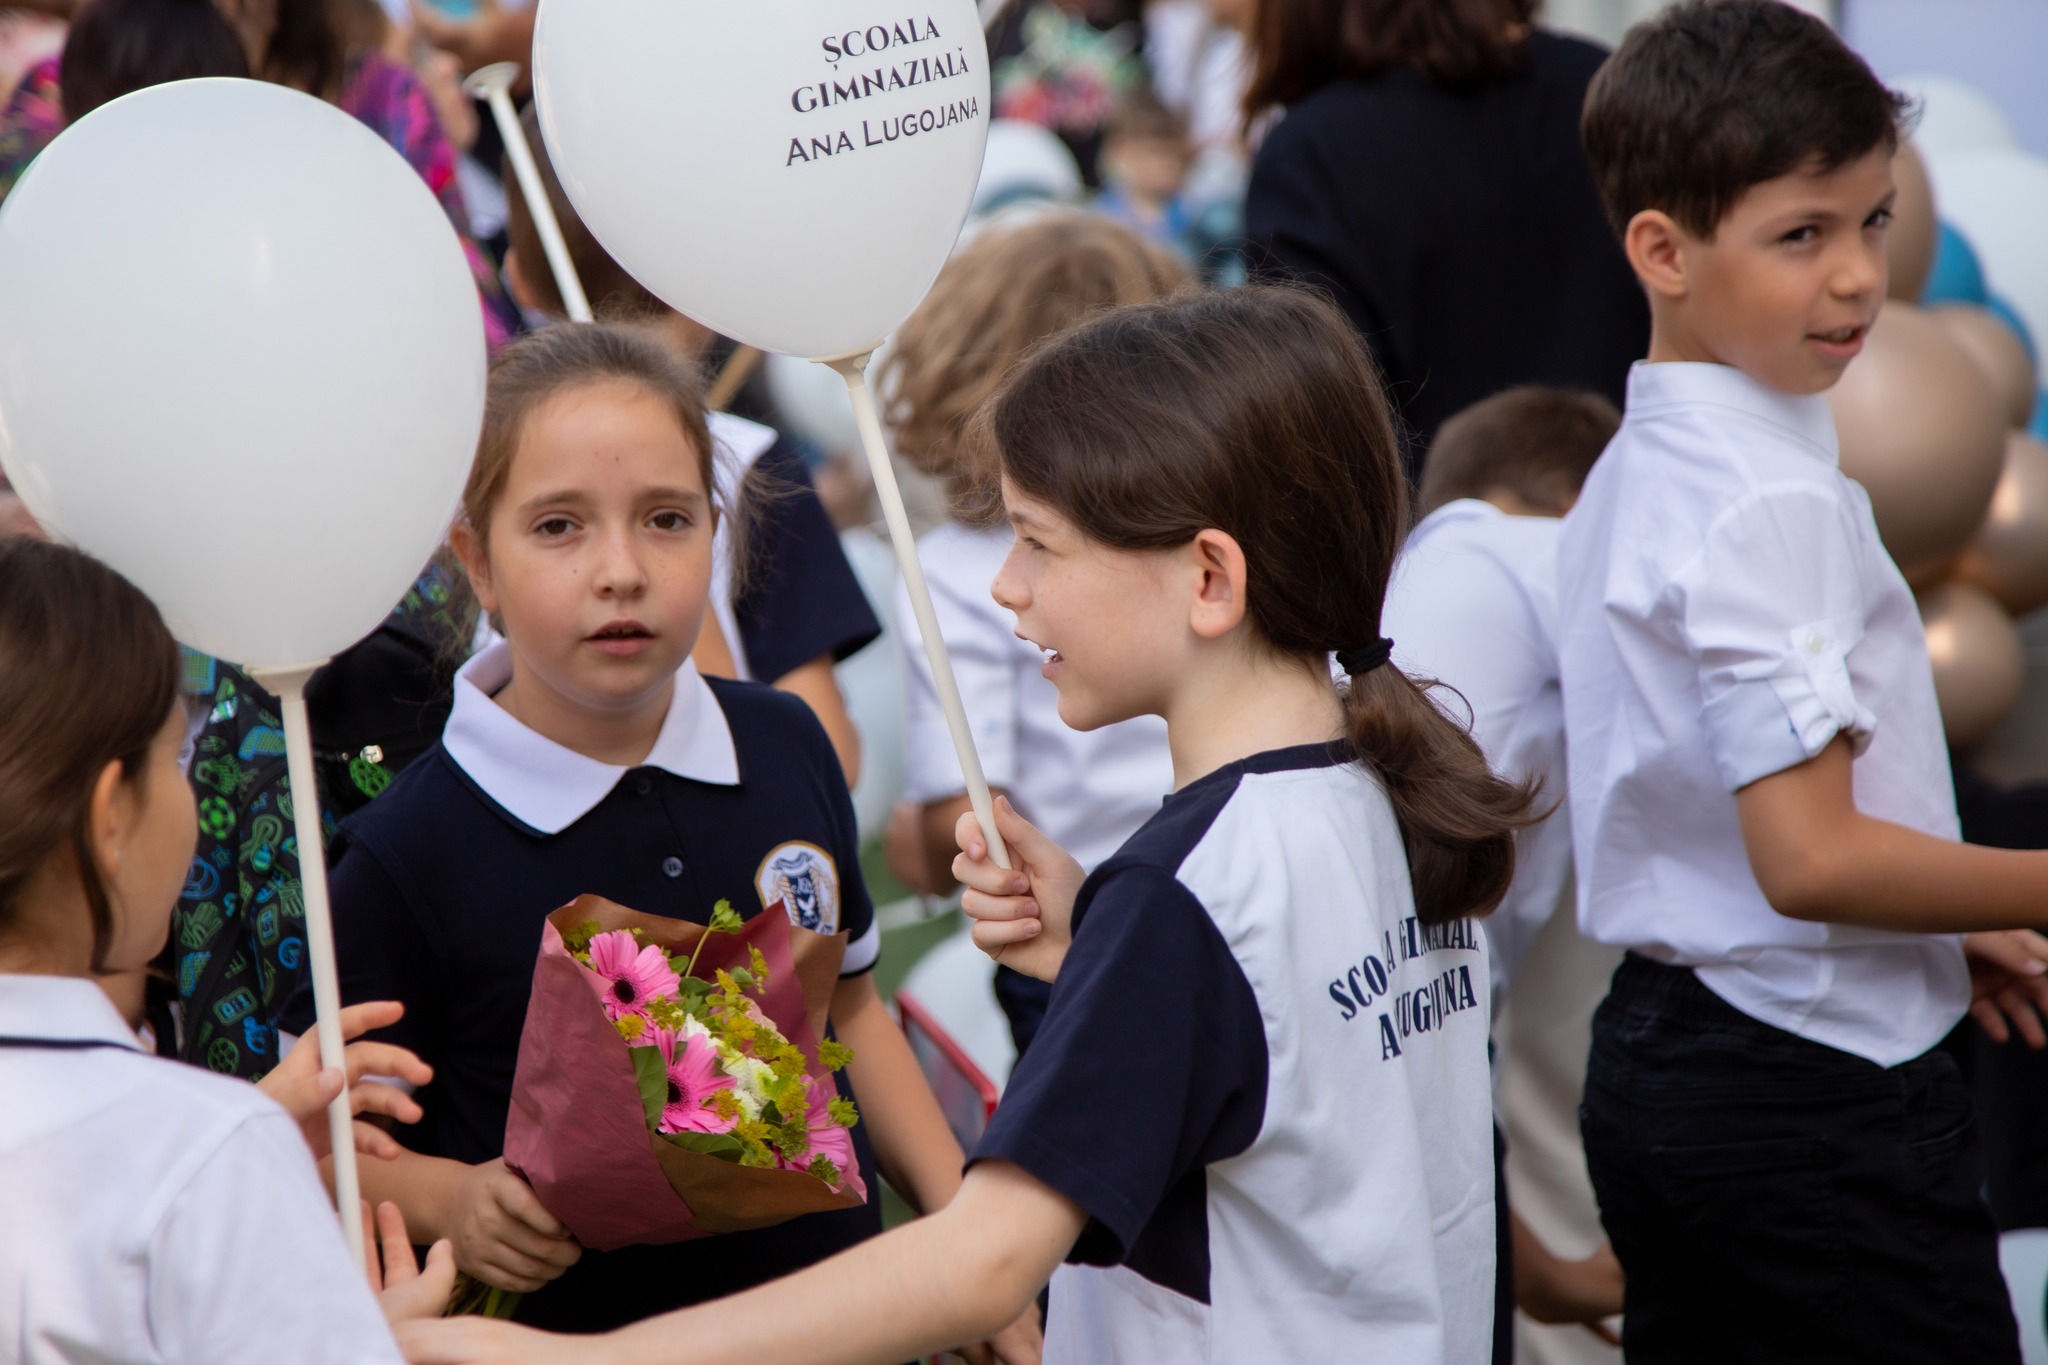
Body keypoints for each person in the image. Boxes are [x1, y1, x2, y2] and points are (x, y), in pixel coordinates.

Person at [394, 285, 1527, 1365]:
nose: (1006, 587)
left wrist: (578, 1355)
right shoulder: (1392, 797)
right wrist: (1095, 948)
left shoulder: (1183, 902)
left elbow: (981, 1264)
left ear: (1208, 579)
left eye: (1036, 542)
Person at [293, 323, 1034, 1358]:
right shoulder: (406, 853)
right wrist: (450, 1199)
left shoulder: (785, 744)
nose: (621, 570)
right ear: (478, 561)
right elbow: (321, 1137)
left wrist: (968, 1247)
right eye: (558, 526)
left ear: (716, 534)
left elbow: (854, 1012)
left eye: (666, 519)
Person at [1561, 5, 2048, 1358]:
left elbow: (1713, 813)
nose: (1855, 277)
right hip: (1804, 1091)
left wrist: (1937, 920)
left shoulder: (1635, 465)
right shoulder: (1759, 499)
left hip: (1671, 1045)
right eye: (1800, 235)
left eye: (1873, 221)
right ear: (1661, 250)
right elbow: (1810, 859)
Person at [0, 536, 457, 1363]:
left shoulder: (212, 1145)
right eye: (175, 754)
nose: (193, 785)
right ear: (111, 813)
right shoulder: (210, 1156)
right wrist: (376, 1337)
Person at [878, 212, 1186, 1058]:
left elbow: (970, 809)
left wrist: (914, 839)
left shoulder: (956, 567)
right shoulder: (1190, 530)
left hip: (1066, 929)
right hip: (1214, 881)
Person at [499, 102, 879, 784]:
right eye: (559, 526)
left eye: (668, 520)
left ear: (518, 278)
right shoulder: (755, 468)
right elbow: (829, 761)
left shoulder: (485, 474)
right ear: (708, 270)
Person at [1381, 386, 1625, 1358]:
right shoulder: (1503, 547)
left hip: (1410, 987)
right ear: (1580, 504)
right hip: (1422, 985)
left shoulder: (1425, 577)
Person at [1238, 0, 1646, 479]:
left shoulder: (1311, 155)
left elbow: (1323, 424)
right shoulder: (1602, 86)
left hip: (1427, 518)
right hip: (1648, 499)